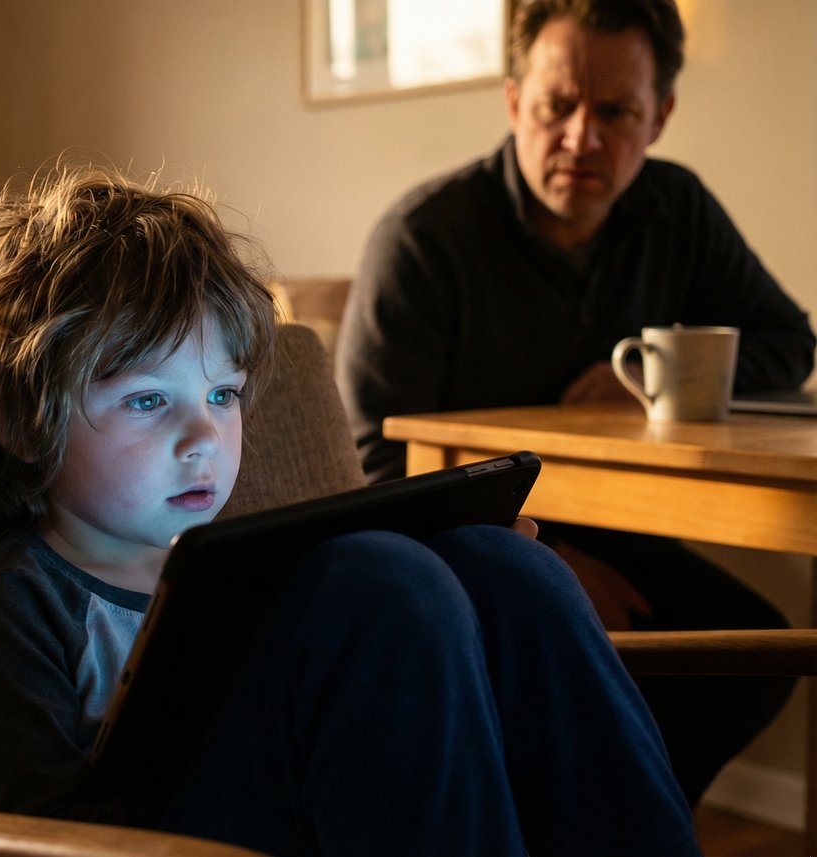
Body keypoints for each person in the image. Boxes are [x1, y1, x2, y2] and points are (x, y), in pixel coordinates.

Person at [0, 163, 700, 855]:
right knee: (375, 577)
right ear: (22, 424)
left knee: (500, 563)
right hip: (168, 843)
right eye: (149, 399)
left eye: (221, 394)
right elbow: (26, 839)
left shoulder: (249, 565)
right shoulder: (13, 602)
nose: (204, 435)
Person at [335, 0, 816, 808]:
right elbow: (366, 458)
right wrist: (547, 560)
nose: (582, 138)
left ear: (659, 116)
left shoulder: (676, 209)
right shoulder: (424, 238)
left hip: (617, 524)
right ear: (515, 100)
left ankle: (616, 818)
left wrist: (663, 376)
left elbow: (790, 342)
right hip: (459, 546)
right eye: (558, 106)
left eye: (615, 111)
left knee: (757, 653)